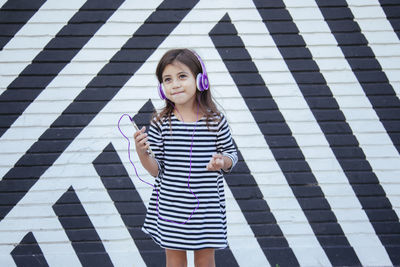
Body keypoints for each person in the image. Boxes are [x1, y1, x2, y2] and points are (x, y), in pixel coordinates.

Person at [134, 48, 238, 267]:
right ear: (162, 88)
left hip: (206, 206)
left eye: (182, 76)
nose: (175, 84)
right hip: (171, 205)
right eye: (167, 79)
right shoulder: (160, 123)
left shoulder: (215, 121)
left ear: (201, 80)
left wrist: (223, 161)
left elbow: (231, 154)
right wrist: (142, 153)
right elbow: (156, 170)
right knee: (174, 260)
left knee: (205, 260)